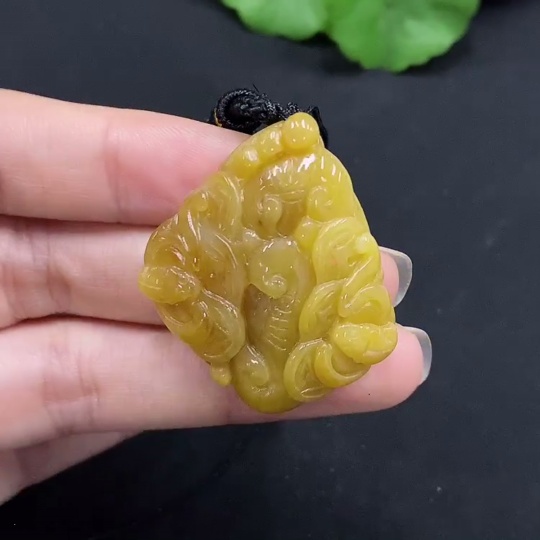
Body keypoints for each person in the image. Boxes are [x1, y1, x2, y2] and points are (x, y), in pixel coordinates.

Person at [0, 90, 431, 504]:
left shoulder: (320, 232)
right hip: (254, 348)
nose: (269, 214)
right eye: (266, 206)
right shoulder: (229, 225)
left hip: (291, 346)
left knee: (339, 339)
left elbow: (343, 272)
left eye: (279, 207)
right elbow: (180, 262)